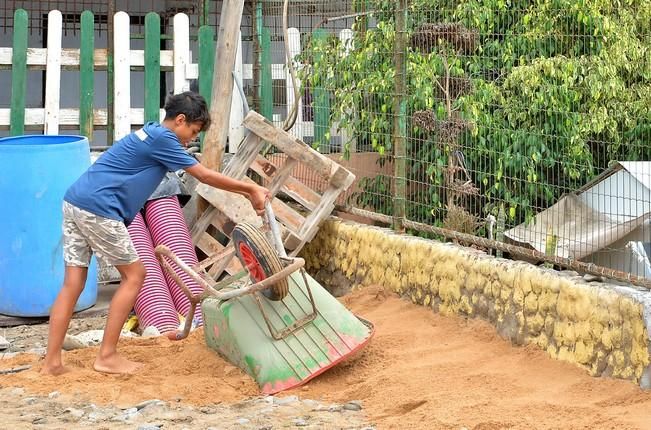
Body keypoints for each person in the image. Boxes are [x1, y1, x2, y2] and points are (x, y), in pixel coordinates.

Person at [41, 91, 270, 376]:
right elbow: (205, 176)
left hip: (75, 201)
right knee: (135, 275)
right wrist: (251, 189)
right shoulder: (165, 139)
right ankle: (108, 356)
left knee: (72, 284)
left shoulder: (149, 131)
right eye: (193, 132)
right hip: (99, 208)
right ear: (181, 120)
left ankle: (51, 363)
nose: (190, 140)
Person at [128, 172, 204, 337]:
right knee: (143, 264)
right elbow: (203, 173)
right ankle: (164, 325)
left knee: (172, 252)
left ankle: (186, 322)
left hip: (154, 182)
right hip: (123, 191)